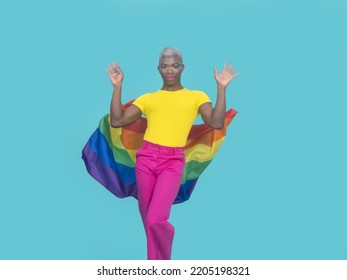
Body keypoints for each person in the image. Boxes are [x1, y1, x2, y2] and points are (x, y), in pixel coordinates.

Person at [105, 47, 239, 260]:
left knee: (155, 220)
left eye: (175, 66)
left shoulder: (196, 97)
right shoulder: (148, 99)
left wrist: (221, 88)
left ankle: (165, 264)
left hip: (172, 162)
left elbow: (216, 122)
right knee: (147, 222)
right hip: (146, 160)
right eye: (165, 66)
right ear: (158, 69)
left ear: (182, 68)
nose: (170, 70)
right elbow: (117, 121)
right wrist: (117, 86)